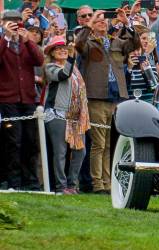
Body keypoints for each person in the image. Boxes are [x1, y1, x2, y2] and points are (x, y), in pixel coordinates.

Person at [75, 10, 141, 194]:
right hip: (96, 98)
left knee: (110, 144)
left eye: (104, 21)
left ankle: (108, 182)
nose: (102, 23)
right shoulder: (88, 43)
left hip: (116, 98)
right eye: (98, 21)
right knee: (98, 143)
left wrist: (127, 23)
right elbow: (78, 45)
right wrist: (89, 24)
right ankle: (97, 183)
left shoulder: (116, 42)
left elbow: (135, 44)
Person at [0, 10, 44, 191]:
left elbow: (39, 60)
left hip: (27, 99)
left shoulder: (26, 42)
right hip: (7, 99)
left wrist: (28, 41)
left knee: (30, 141)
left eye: (17, 22)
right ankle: (13, 181)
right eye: (10, 22)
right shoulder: (3, 42)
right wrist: (6, 37)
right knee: (13, 141)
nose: (15, 25)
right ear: (3, 23)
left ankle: (31, 181)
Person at [43, 36, 90, 195]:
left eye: (64, 48)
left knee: (80, 151)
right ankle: (61, 187)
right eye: (58, 48)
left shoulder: (74, 68)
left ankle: (72, 185)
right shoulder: (50, 67)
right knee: (60, 152)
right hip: (56, 114)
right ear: (52, 53)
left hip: (76, 117)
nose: (62, 50)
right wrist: (71, 56)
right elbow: (63, 75)